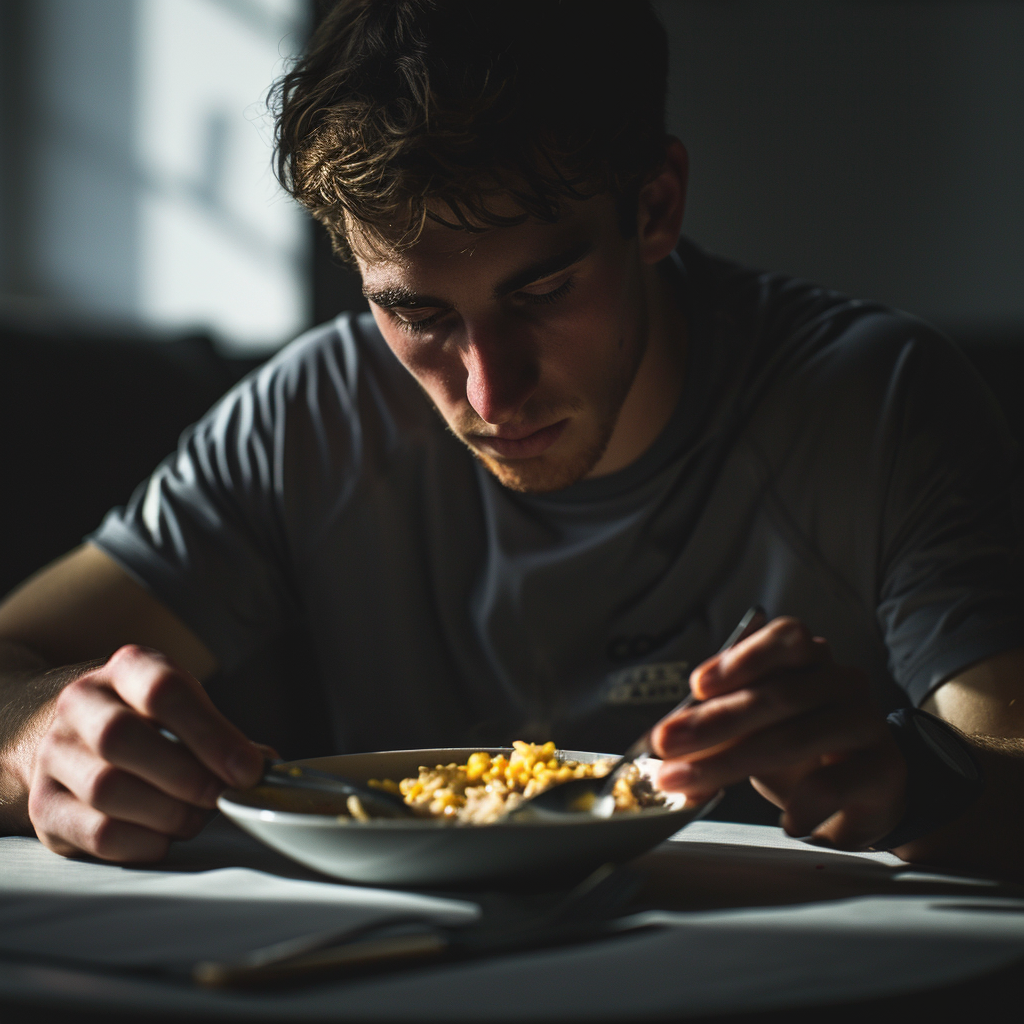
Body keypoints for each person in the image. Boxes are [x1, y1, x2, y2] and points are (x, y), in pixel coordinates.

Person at [1, 0, 1022, 875]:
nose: (489, 389)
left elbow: (1005, 756)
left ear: (654, 205)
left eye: (542, 289)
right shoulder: (313, 416)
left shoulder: (873, 399)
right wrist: (40, 731)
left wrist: (913, 778)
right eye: (419, 315)